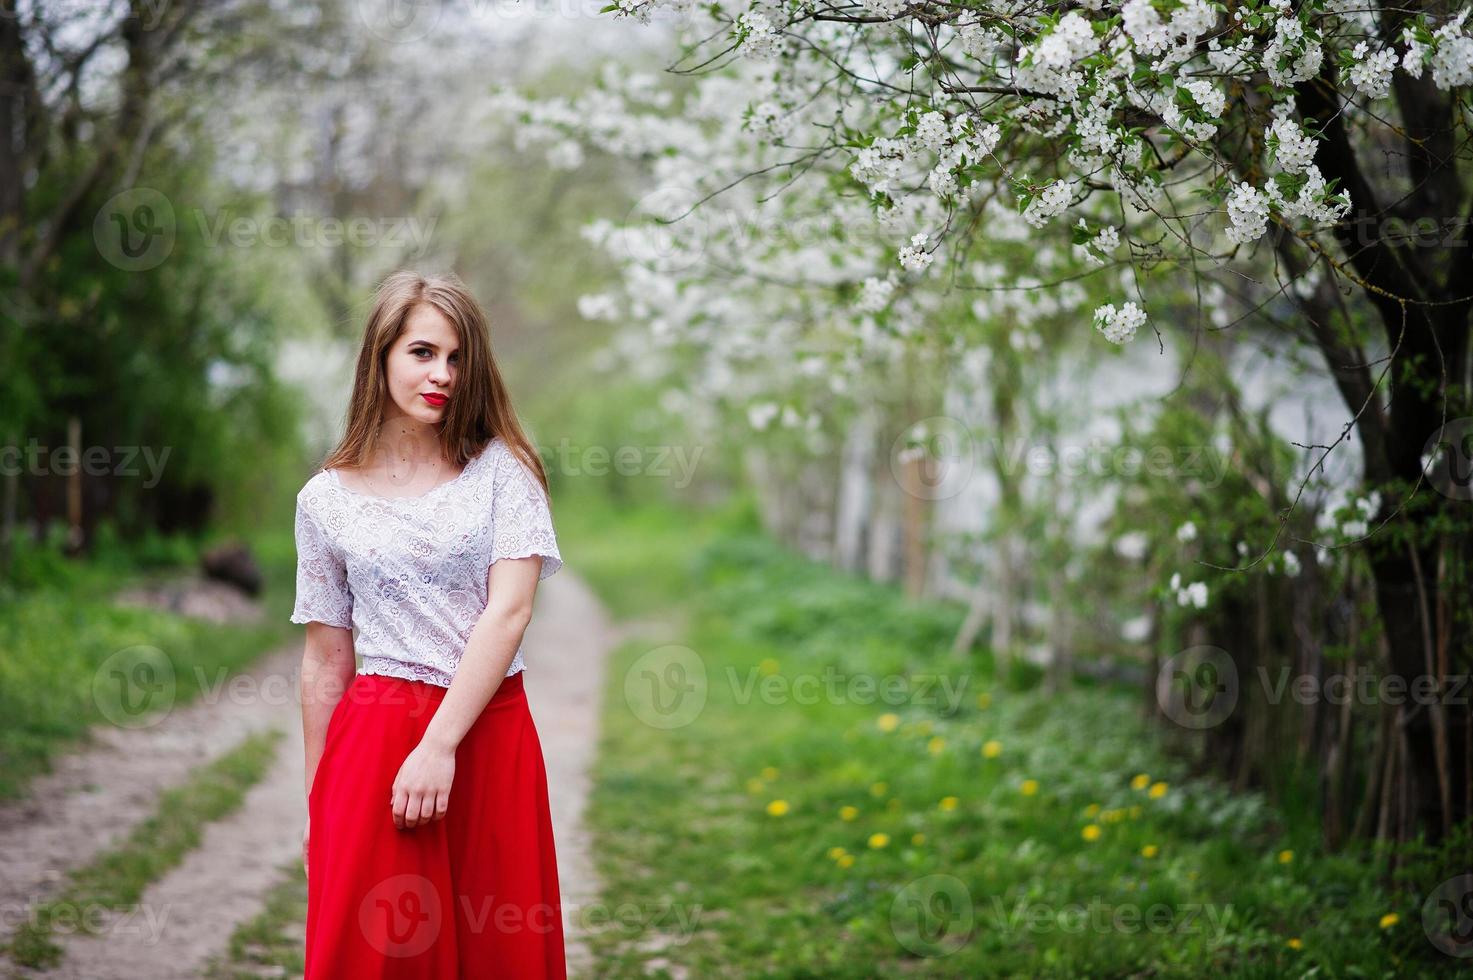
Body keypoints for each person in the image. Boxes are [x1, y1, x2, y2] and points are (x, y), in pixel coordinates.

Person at [290, 270, 566, 978]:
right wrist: (321, 801)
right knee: (377, 954)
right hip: (375, 734)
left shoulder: (506, 473)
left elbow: (508, 612)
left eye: (456, 357)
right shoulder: (324, 500)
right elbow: (325, 662)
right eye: (421, 352)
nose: (441, 374)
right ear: (379, 356)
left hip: (486, 731)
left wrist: (440, 743)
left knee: (496, 946)